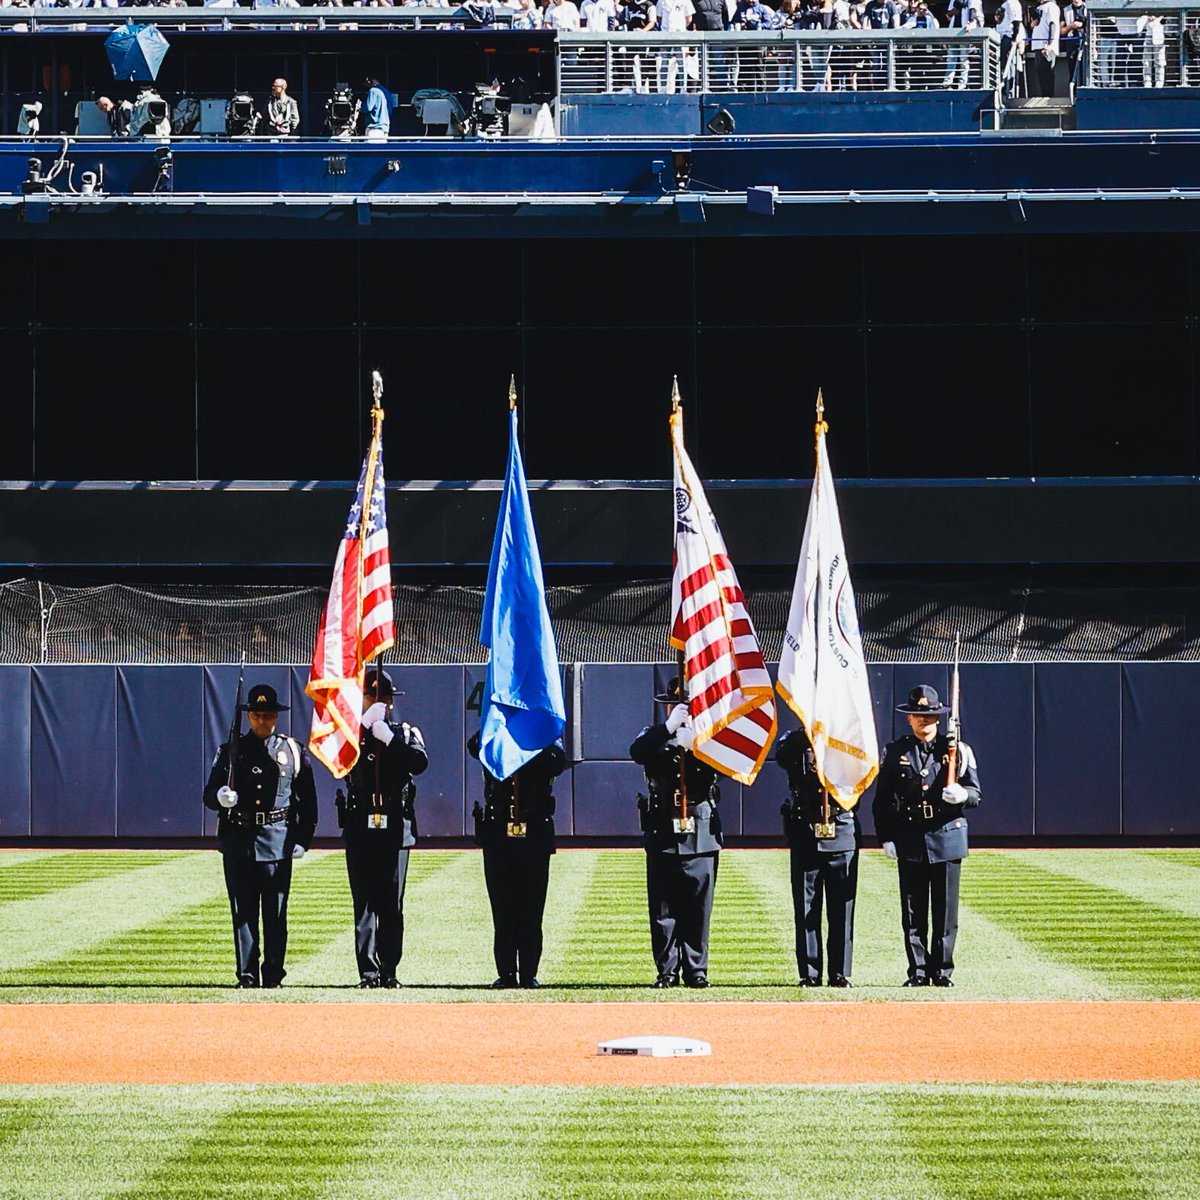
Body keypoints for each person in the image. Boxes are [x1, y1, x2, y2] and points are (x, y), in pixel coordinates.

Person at [203, 682, 317, 989]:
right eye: (256, 715)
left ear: (275, 717)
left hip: (277, 838)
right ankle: (247, 974)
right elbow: (209, 793)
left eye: (267, 715)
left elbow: (308, 802)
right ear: (249, 716)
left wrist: (302, 841)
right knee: (243, 912)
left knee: (275, 914)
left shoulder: (292, 751)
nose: (261, 720)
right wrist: (221, 795)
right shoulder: (231, 751)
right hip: (239, 837)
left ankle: (274, 975)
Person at [872, 684, 982, 988]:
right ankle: (918, 971)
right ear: (909, 719)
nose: (924, 720)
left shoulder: (957, 749)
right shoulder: (896, 752)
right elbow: (882, 801)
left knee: (945, 912)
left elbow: (976, 794)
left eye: (930, 715)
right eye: (918, 715)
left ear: (938, 717)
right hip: (910, 837)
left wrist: (961, 795)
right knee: (913, 912)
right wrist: (887, 837)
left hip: (946, 836)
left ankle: (942, 971)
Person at [336, 667, 427, 988]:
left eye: (383, 697)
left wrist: (387, 739)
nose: (377, 701)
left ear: (391, 701)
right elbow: (338, 759)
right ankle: (368, 973)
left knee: (391, 903)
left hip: (395, 824)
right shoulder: (348, 733)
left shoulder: (404, 733)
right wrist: (362, 727)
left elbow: (418, 763)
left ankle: (389, 970)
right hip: (361, 822)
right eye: (370, 696)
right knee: (364, 903)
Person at [630, 677, 722, 989]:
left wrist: (697, 744)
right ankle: (667, 971)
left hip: (701, 831)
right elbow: (638, 751)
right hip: (662, 830)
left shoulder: (710, 739)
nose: (680, 710)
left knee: (699, 906)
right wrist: (668, 729)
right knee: (663, 909)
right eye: (674, 706)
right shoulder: (654, 737)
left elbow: (726, 767)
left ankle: (697, 970)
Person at [468, 731, 566, 989]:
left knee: (532, 909)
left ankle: (529, 973)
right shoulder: (494, 728)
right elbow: (474, 746)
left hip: (534, 830)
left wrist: (528, 735)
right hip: (498, 831)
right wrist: (503, 727)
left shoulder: (544, 731)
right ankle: (506, 972)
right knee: (503, 908)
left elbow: (557, 761)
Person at [776, 727, 860, 988]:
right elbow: (782, 756)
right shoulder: (794, 740)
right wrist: (810, 732)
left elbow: (864, 767)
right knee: (806, 908)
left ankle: (839, 972)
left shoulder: (850, 734)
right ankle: (810, 973)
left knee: (841, 910)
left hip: (841, 829)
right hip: (805, 832)